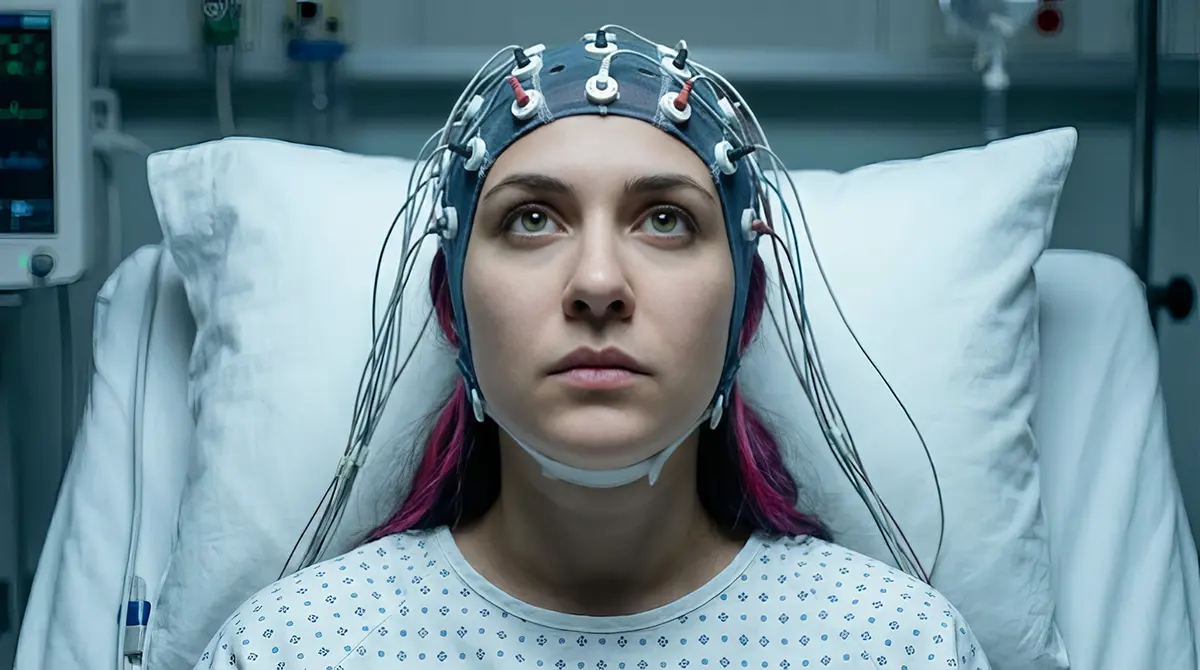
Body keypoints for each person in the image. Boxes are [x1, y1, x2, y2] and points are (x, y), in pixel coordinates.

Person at [195, 28, 989, 669]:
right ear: (453, 310)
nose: (600, 282)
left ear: (742, 312)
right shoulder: (298, 647)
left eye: (667, 220)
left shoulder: (895, 646)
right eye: (532, 219)